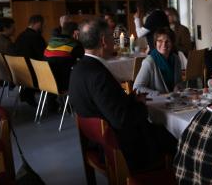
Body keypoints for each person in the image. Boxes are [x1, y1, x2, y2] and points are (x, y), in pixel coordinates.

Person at [69, 18, 176, 170]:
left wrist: (131, 99)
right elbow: (122, 120)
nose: (114, 42)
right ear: (103, 41)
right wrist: (141, 106)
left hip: (96, 139)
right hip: (116, 147)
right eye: (112, 37)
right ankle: (166, 182)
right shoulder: (98, 75)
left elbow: (106, 104)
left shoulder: (79, 69)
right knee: (173, 136)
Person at [133, 27, 182, 94]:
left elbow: (178, 82)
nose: (164, 44)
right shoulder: (149, 62)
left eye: (167, 41)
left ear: (172, 43)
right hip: (156, 101)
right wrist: (158, 94)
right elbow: (137, 88)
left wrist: (178, 87)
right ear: (155, 43)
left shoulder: (176, 59)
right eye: (160, 41)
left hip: (173, 99)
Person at [14, 14, 47, 106]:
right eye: (43, 25)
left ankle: (27, 94)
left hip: (20, 70)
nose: (44, 27)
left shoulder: (21, 35)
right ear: (38, 23)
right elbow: (44, 55)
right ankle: (53, 101)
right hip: (34, 71)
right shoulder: (36, 37)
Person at [44, 21, 84, 90]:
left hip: (46, 81)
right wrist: (79, 41)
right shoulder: (73, 45)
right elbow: (85, 59)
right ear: (75, 32)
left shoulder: (51, 42)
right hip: (63, 83)